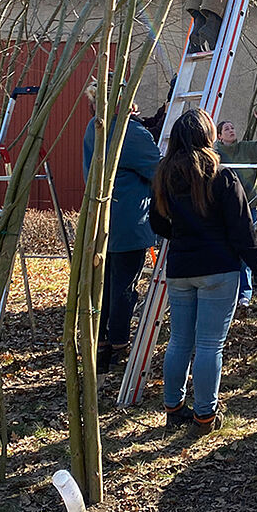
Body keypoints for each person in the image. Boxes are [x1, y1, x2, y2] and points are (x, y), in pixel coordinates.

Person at [150, 109, 257, 435]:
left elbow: (157, 223)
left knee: (178, 342)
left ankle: (173, 408)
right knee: (208, 345)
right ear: (207, 136)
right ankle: (205, 415)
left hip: (180, 269)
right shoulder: (222, 175)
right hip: (219, 269)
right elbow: (242, 230)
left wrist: (183, 235)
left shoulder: (163, 175)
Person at [81, 83, 161, 374]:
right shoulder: (130, 132)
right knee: (123, 287)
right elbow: (156, 169)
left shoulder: (95, 126)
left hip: (101, 222)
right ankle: (118, 346)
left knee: (104, 285)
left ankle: (100, 344)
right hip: (129, 221)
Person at [214, 110, 257, 311]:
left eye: (233, 128)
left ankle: (245, 295)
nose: (231, 131)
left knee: (244, 248)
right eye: (227, 129)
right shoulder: (215, 154)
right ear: (219, 136)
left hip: (249, 207)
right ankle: (226, 293)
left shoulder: (247, 149)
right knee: (225, 249)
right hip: (223, 210)